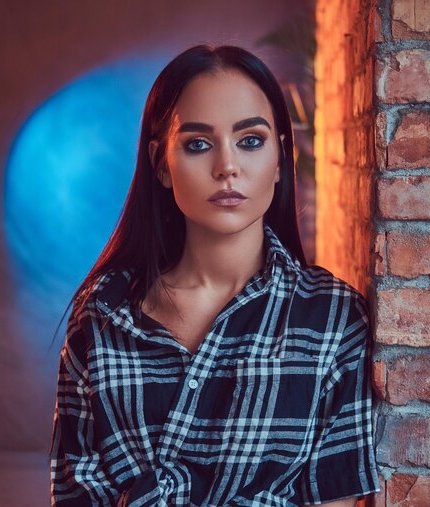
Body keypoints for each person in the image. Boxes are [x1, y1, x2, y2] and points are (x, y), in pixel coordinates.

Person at [49, 44, 381, 506]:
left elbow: (336, 498)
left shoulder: (332, 319)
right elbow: (74, 494)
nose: (227, 167)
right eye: (198, 144)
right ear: (162, 163)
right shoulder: (103, 316)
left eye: (250, 140)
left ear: (281, 158)